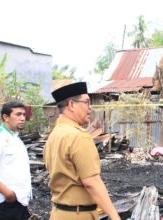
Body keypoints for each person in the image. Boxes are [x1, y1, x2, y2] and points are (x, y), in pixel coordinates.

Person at [44, 82, 120, 220]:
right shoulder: (79, 136)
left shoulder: (54, 135)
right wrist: (115, 216)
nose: (90, 109)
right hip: (79, 215)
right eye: (86, 102)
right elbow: (91, 182)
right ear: (72, 105)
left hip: (58, 213)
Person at [0, 101, 31, 220]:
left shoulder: (15, 138)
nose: (23, 118)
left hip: (20, 200)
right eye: (18, 114)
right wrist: (9, 195)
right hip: (7, 203)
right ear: (6, 117)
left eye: (24, 114)